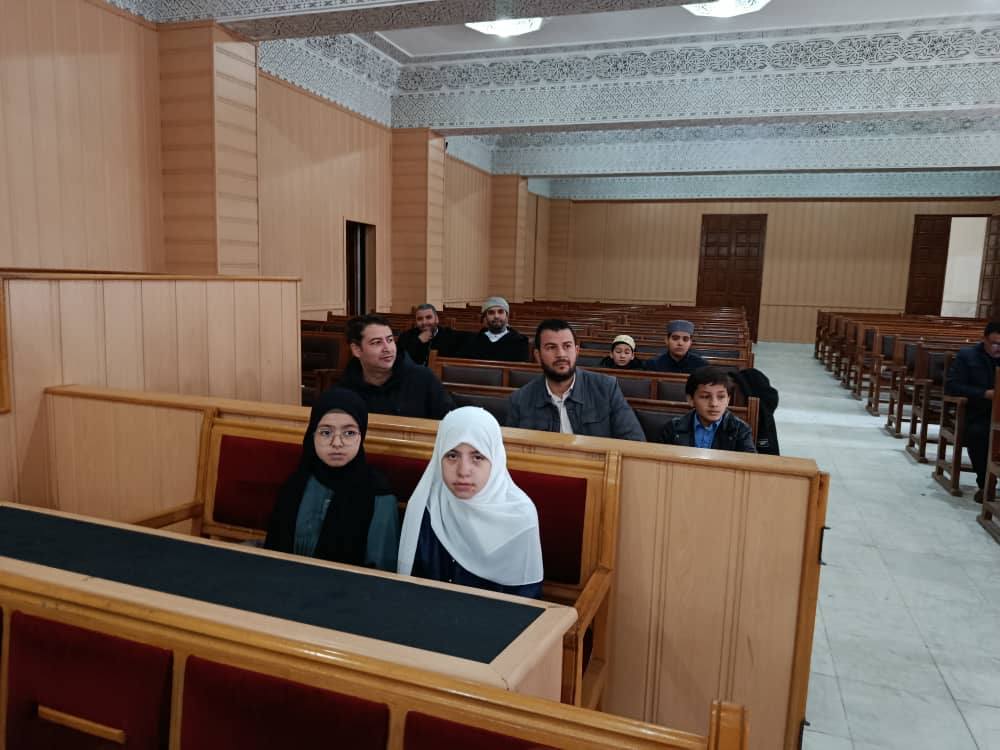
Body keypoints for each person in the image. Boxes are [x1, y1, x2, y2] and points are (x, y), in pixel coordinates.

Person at [397, 407, 544, 598]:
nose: (463, 471)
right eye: (452, 456)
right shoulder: (427, 506)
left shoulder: (519, 515)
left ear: (495, 459)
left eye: (477, 457)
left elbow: (526, 600)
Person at [265, 388, 400, 570]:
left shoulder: (379, 495)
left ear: (361, 436)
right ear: (313, 435)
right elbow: (273, 552)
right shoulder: (297, 483)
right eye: (326, 432)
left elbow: (380, 574)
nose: (337, 443)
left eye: (349, 433)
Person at [506, 320, 645, 441]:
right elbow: (510, 451)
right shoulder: (520, 400)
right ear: (537, 355)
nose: (561, 354)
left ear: (577, 351)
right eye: (551, 347)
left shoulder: (607, 388)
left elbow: (635, 442)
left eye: (567, 346)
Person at [338, 314, 454, 419]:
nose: (387, 348)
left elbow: (451, 423)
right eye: (377, 342)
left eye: (390, 340)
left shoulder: (424, 378)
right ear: (357, 350)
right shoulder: (345, 387)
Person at [945, 321, 1000, 503]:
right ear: (984, 339)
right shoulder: (967, 356)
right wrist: (984, 394)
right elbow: (952, 386)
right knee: (979, 434)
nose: (998, 348)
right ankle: (986, 484)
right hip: (977, 412)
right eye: (995, 343)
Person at [658, 366, 756, 452]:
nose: (714, 404)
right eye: (705, 397)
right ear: (691, 399)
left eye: (721, 397)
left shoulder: (740, 430)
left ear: (728, 400)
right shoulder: (672, 428)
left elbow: (750, 463)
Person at [459, 296, 531, 362]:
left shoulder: (519, 342)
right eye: (491, 312)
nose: (496, 316)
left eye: (500, 312)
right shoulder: (474, 341)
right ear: (485, 317)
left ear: (507, 316)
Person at [396, 303, 462, 367]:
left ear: (436, 319)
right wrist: (418, 341)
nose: (424, 322)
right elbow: (399, 360)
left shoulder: (450, 336)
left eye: (428, 317)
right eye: (419, 319)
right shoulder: (405, 336)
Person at [645, 320, 710, 374]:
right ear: (666, 340)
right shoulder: (653, 364)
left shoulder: (702, 366)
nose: (680, 343)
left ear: (690, 343)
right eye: (675, 338)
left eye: (685, 339)